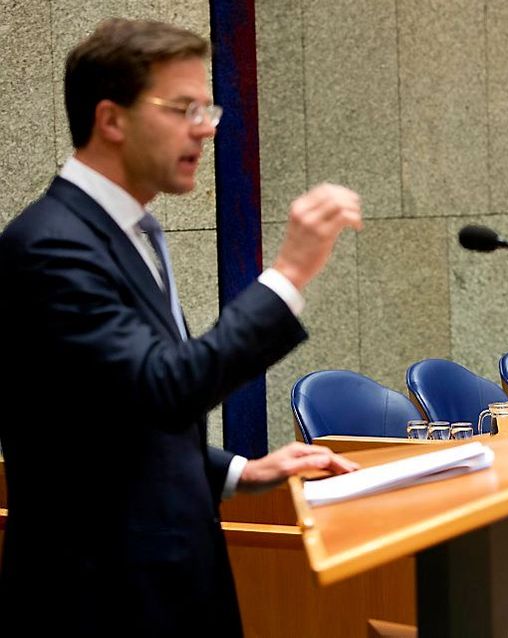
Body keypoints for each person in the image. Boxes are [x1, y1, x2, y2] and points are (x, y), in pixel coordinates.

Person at [0, 19, 363, 635]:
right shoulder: (50, 245)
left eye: (208, 108)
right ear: (111, 120)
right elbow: (165, 387)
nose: (206, 126)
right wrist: (288, 275)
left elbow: (115, 419)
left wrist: (240, 473)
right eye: (184, 108)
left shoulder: (125, 232)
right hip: (101, 599)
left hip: (165, 582)